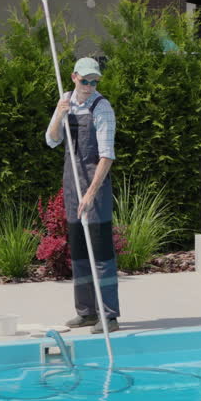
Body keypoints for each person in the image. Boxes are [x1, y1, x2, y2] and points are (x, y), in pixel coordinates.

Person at [45, 57, 119, 334]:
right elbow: (52, 140)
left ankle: (109, 315)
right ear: (74, 77)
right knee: (78, 252)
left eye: (94, 81)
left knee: (100, 252)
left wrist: (90, 193)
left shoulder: (102, 108)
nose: (90, 86)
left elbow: (106, 156)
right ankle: (87, 312)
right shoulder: (65, 100)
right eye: (85, 80)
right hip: (71, 184)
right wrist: (59, 114)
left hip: (94, 188)